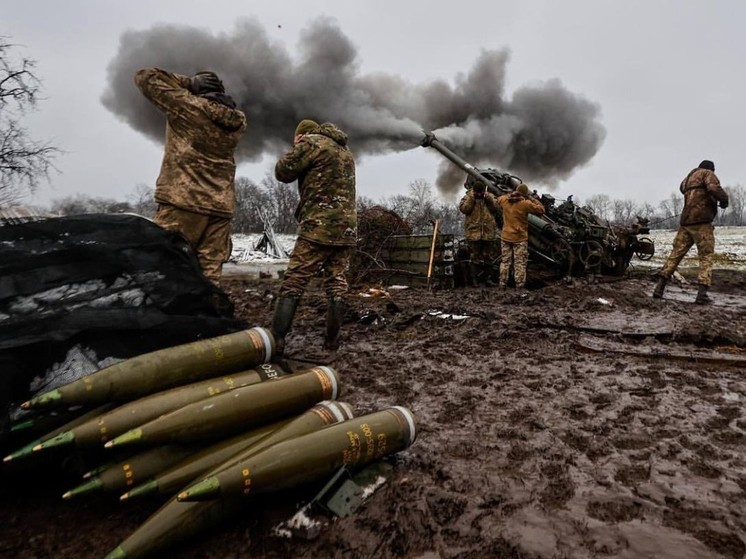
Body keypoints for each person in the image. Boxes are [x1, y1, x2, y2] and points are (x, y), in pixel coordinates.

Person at [134, 68, 247, 285]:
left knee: (167, 268)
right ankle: (208, 316)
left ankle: (173, 317)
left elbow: (145, 76)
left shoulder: (188, 107)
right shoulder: (238, 122)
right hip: (220, 207)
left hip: (183, 202)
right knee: (210, 275)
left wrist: (187, 82)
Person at [270, 119, 357, 356]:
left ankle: (276, 340)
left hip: (318, 227)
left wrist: (300, 144)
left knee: (294, 281)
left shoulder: (311, 143)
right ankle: (331, 342)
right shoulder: (344, 151)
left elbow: (282, 172)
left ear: (302, 134)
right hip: (346, 229)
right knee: (337, 284)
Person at [653, 160, 729, 304]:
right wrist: (724, 199)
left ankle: (659, 289)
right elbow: (713, 188)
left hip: (686, 222)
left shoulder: (687, 179)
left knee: (674, 255)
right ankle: (702, 295)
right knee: (706, 257)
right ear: (711, 169)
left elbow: (683, 189)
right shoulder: (708, 174)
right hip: (702, 223)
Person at [496, 183, 545, 290]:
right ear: (525, 194)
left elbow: (496, 200)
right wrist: (532, 199)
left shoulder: (504, 200)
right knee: (519, 263)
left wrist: (508, 195)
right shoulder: (525, 204)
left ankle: (502, 284)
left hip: (505, 236)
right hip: (519, 238)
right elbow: (541, 210)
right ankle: (519, 286)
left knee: (505, 262)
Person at [458, 177, 499, 286]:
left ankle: (488, 279)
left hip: (487, 232)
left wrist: (488, 199)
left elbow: (496, 208)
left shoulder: (489, 197)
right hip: (474, 233)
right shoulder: (468, 197)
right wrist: (472, 198)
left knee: (488, 258)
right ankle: (474, 280)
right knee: (474, 258)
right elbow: (464, 209)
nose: (479, 194)